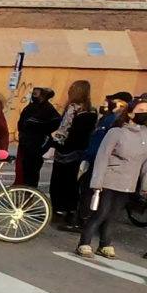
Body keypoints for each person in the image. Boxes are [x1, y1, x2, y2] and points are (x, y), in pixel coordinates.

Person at [76, 98, 147, 259]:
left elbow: (145, 163)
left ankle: (105, 244)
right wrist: (97, 182)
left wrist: (144, 185)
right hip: (109, 179)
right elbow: (103, 156)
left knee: (114, 214)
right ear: (130, 113)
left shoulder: (146, 134)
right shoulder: (116, 132)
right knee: (102, 212)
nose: (144, 114)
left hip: (128, 182)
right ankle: (84, 242)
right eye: (141, 111)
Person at [66, 91, 135, 232]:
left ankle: (84, 222)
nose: (105, 104)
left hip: (100, 160)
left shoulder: (114, 121)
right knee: (84, 190)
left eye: (110, 102)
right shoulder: (106, 118)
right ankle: (82, 220)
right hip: (92, 157)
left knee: (89, 192)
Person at [48, 80, 99, 220]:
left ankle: (58, 210)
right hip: (80, 150)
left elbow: (65, 128)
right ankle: (71, 210)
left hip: (66, 149)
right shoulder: (92, 110)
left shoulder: (73, 108)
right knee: (72, 183)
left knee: (58, 181)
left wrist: (55, 140)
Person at [14, 87, 60, 188]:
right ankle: (22, 194)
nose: (35, 96)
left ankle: (28, 196)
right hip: (25, 145)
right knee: (22, 173)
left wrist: (47, 145)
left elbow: (56, 127)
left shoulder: (49, 110)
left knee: (31, 176)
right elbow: (21, 123)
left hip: (37, 147)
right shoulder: (29, 108)